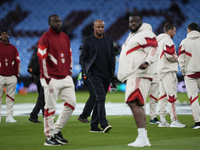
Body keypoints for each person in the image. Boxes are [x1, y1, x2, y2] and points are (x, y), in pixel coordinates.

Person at [117, 12, 158, 147]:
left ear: (141, 22)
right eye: (131, 21)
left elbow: (154, 48)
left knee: (133, 102)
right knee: (138, 104)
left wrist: (147, 62)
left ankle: (142, 137)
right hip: (133, 74)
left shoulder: (145, 33)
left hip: (139, 73)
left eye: (135, 21)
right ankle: (143, 138)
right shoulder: (133, 36)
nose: (133, 23)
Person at [37, 14, 76, 146]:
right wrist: (47, 77)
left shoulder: (65, 36)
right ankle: (49, 137)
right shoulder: (45, 38)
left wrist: (69, 71)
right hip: (51, 78)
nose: (58, 23)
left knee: (71, 104)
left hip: (65, 76)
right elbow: (41, 58)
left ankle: (57, 130)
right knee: (50, 108)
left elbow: (69, 54)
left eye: (59, 21)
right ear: (50, 23)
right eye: (55, 21)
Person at [80, 19, 115, 133]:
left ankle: (94, 126)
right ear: (94, 27)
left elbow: (112, 58)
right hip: (94, 75)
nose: (100, 29)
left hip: (106, 75)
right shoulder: (88, 41)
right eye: (98, 27)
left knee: (99, 99)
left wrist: (112, 74)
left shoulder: (109, 40)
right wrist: (86, 72)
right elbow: (83, 58)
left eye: (102, 27)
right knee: (100, 98)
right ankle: (104, 124)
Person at [157, 23, 186, 128]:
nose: (175, 32)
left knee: (162, 96)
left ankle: (163, 120)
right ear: (170, 30)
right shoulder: (168, 40)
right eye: (174, 30)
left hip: (160, 70)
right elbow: (169, 55)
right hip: (168, 71)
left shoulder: (159, 41)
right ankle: (174, 120)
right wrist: (178, 59)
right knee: (172, 96)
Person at [178, 22, 200, 129]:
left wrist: (183, 71)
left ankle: (198, 122)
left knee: (193, 98)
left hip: (190, 74)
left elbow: (181, 59)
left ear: (188, 30)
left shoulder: (184, 42)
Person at [0, 29, 20, 123]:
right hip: (0, 75)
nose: (4, 35)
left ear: (8, 36)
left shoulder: (13, 48)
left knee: (11, 97)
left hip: (12, 75)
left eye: (6, 34)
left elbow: (17, 62)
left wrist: (17, 74)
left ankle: (9, 116)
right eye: (3, 34)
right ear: (0, 36)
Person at [27, 45, 45, 123]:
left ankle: (45, 116)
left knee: (43, 97)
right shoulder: (45, 51)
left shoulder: (36, 51)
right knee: (43, 97)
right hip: (43, 76)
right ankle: (33, 115)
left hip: (37, 77)